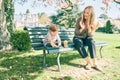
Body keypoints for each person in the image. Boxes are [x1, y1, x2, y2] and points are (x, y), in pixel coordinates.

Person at [73, 6, 99, 70]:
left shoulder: (94, 22)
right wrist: (82, 28)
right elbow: (76, 33)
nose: (85, 14)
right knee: (78, 42)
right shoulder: (79, 19)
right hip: (78, 37)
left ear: (91, 14)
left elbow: (91, 35)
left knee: (91, 41)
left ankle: (95, 63)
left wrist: (89, 28)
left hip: (87, 38)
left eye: (87, 13)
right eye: (84, 12)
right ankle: (88, 63)